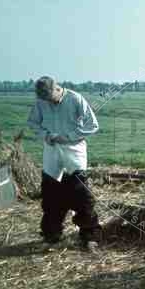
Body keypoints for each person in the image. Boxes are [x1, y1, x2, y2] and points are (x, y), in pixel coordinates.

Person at [27, 76, 102, 250]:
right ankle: (51, 234)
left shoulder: (75, 99)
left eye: (48, 97)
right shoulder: (40, 102)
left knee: (83, 196)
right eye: (43, 99)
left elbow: (93, 125)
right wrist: (46, 136)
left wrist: (68, 137)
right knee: (51, 195)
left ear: (56, 88)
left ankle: (90, 236)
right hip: (52, 152)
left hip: (73, 151)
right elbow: (33, 123)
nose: (46, 101)